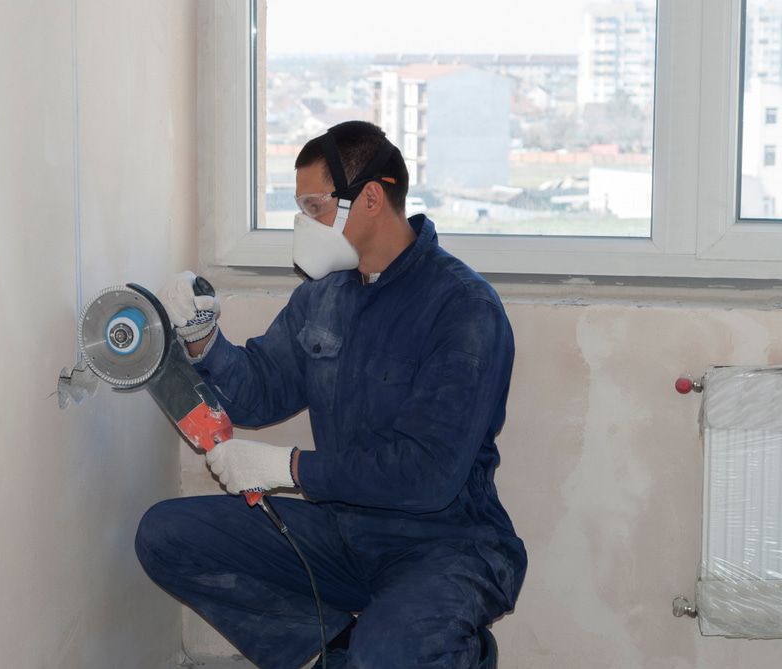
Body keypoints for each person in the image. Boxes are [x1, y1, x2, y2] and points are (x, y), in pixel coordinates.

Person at [135, 121, 526, 669]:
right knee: (166, 536)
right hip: (343, 533)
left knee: (390, 653)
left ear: (370, 197)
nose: (305, 224)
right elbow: (258, 392)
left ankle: (453, 652)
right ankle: (335, 647)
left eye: (315, 206)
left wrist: (290, 467)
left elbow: (429, 474)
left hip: (445, 543)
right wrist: (203, 339)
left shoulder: (462, 308)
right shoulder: (323, 298)